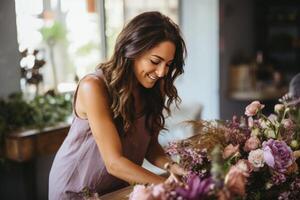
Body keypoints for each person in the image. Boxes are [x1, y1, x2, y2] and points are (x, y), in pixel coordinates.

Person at [49, 11, 187, 199]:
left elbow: (150, 146)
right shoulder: (94, 87)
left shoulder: (152, 88)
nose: (162, 72)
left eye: (168, 64)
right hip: (75, 189)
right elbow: (114, 162)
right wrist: (167, 186)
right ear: (132, 51)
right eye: (155, 61)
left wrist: (171, 166)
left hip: (117, 189)